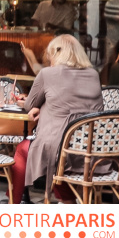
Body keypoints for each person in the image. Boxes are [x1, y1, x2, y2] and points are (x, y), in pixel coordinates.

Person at [8, 34, 104, 204]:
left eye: (50, 54)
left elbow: (30, 105)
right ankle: (67, 201)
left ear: (56, 53)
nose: (48, 58)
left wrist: (36, 106)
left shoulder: (48, 74)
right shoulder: (93, 74)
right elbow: (78, 107)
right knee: (55, 153)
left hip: (61, 148)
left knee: (25, 150)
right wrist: (44, 107)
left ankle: (13, 205)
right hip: (90, 150)